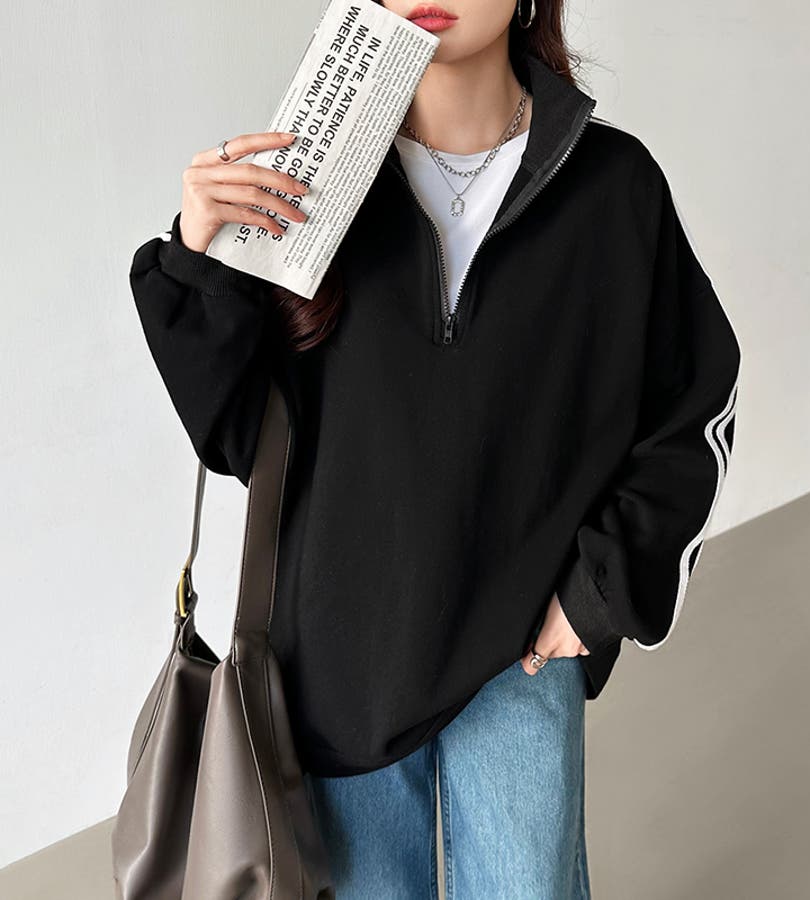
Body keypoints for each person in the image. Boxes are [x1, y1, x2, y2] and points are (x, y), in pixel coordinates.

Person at [129, 0, 742, 896]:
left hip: (520, 657)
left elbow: (694, 403)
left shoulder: (612, 187)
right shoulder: (304, 187)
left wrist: (599, 590)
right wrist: (195, 255)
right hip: (337, 664)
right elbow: (232, 438)